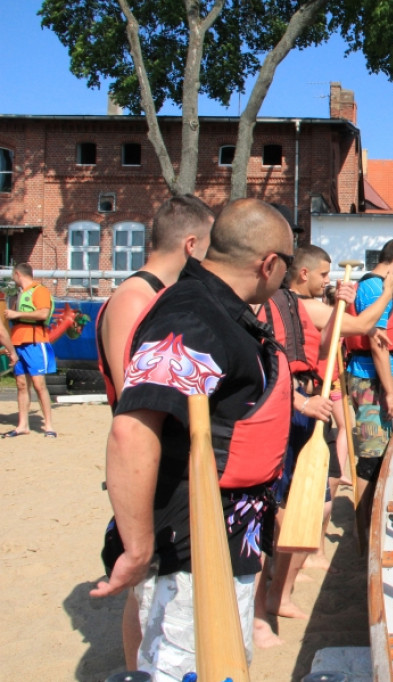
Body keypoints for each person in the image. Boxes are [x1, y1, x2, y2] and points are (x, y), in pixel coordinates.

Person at [89, 198, 297, 682]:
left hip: (228, 534)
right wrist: (138, 548)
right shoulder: (193, 316)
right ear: (269, 263)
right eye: (287, 263)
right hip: (192, 543)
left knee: (225, 665)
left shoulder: (225, 311)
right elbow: (133, 427)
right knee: (185, 666)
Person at [94, 194, 215, 671]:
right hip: (150, 464)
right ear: (190, 245)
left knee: (161, 590)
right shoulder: (134, 298)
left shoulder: (158, 298)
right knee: (146, 592)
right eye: (209, 249)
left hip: (169, 462)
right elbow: (138, 399)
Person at [255, 245, 386, 645]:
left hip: (312, 403)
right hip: (295, 408)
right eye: (324, 274)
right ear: (303, 273)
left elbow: (327, 342)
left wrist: (342, 305)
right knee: (286, 512)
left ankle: (282, 592)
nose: (328, 280)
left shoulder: (306, 307)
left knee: (311, 505)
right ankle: (270, 599)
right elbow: (363, 325)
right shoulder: (288, 304)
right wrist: (388, 287)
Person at [344, 238, 393, 541]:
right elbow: (377, 343)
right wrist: (388, 391)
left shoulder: (376, 287)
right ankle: (364, 531)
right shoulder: (375, 287)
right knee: (371, 457)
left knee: (381, 451)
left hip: (374, 376)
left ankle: (371, 521)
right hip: (369, 379)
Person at [4, 263, 57, 438]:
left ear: (18, 274)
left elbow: (43, 313)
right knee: (21, 384)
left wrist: (16, 315)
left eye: (13, 275)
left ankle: (49, 425)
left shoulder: (39, 290)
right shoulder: (20, 294)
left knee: (39, 384)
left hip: (34, 342)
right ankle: (22, 425)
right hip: (18, 342)